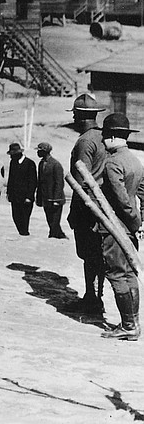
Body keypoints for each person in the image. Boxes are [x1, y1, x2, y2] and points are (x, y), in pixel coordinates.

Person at [97, 113, 143, 340]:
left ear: (113, 136)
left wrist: (133, 222)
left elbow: (122, 200)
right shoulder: (135, 160)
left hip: (115, 227)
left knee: (116, 274)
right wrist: (140, 222)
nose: (104, 141)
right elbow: (141, 194)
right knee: (129, 274)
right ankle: (133, 323)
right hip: (131, 228)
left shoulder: (113, 163)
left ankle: (127, 325)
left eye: (105, 136)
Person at [65, 93, 110, 314]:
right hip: (102, 206)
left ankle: (93, 299)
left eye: (74, 114)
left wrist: (76, 212)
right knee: (97, 255)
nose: (73, 118)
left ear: (81, 116)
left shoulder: (84, 141)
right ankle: (95, 296)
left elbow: (81, 181)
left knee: (88, 255)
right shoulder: (103, 137)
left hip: (87, 207)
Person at [35, 142, 68, 239]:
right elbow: (40, 182)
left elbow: (59, 183)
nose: (37, 153)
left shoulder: (56, 164)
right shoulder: (41, 164)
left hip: (55, 199)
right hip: (46, 198)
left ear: (45, 151)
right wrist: (39, 198)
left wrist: (56, 200)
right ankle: (59, 235)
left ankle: (54, 236)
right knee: (50, 219)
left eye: (39, 151)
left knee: (55, 220)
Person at [6, 142, 38, 236]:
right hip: (14, 197)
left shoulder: (29, 163)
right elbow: (10, 179)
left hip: (25, 198)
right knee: (15, 217)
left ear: (18, 154)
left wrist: (29, 196)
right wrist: (9, 193)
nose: (11, 157)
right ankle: (22, 233)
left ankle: (24, 234)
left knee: (24, 218)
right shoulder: (13, 162)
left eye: (12, 155)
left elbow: (33, 182)